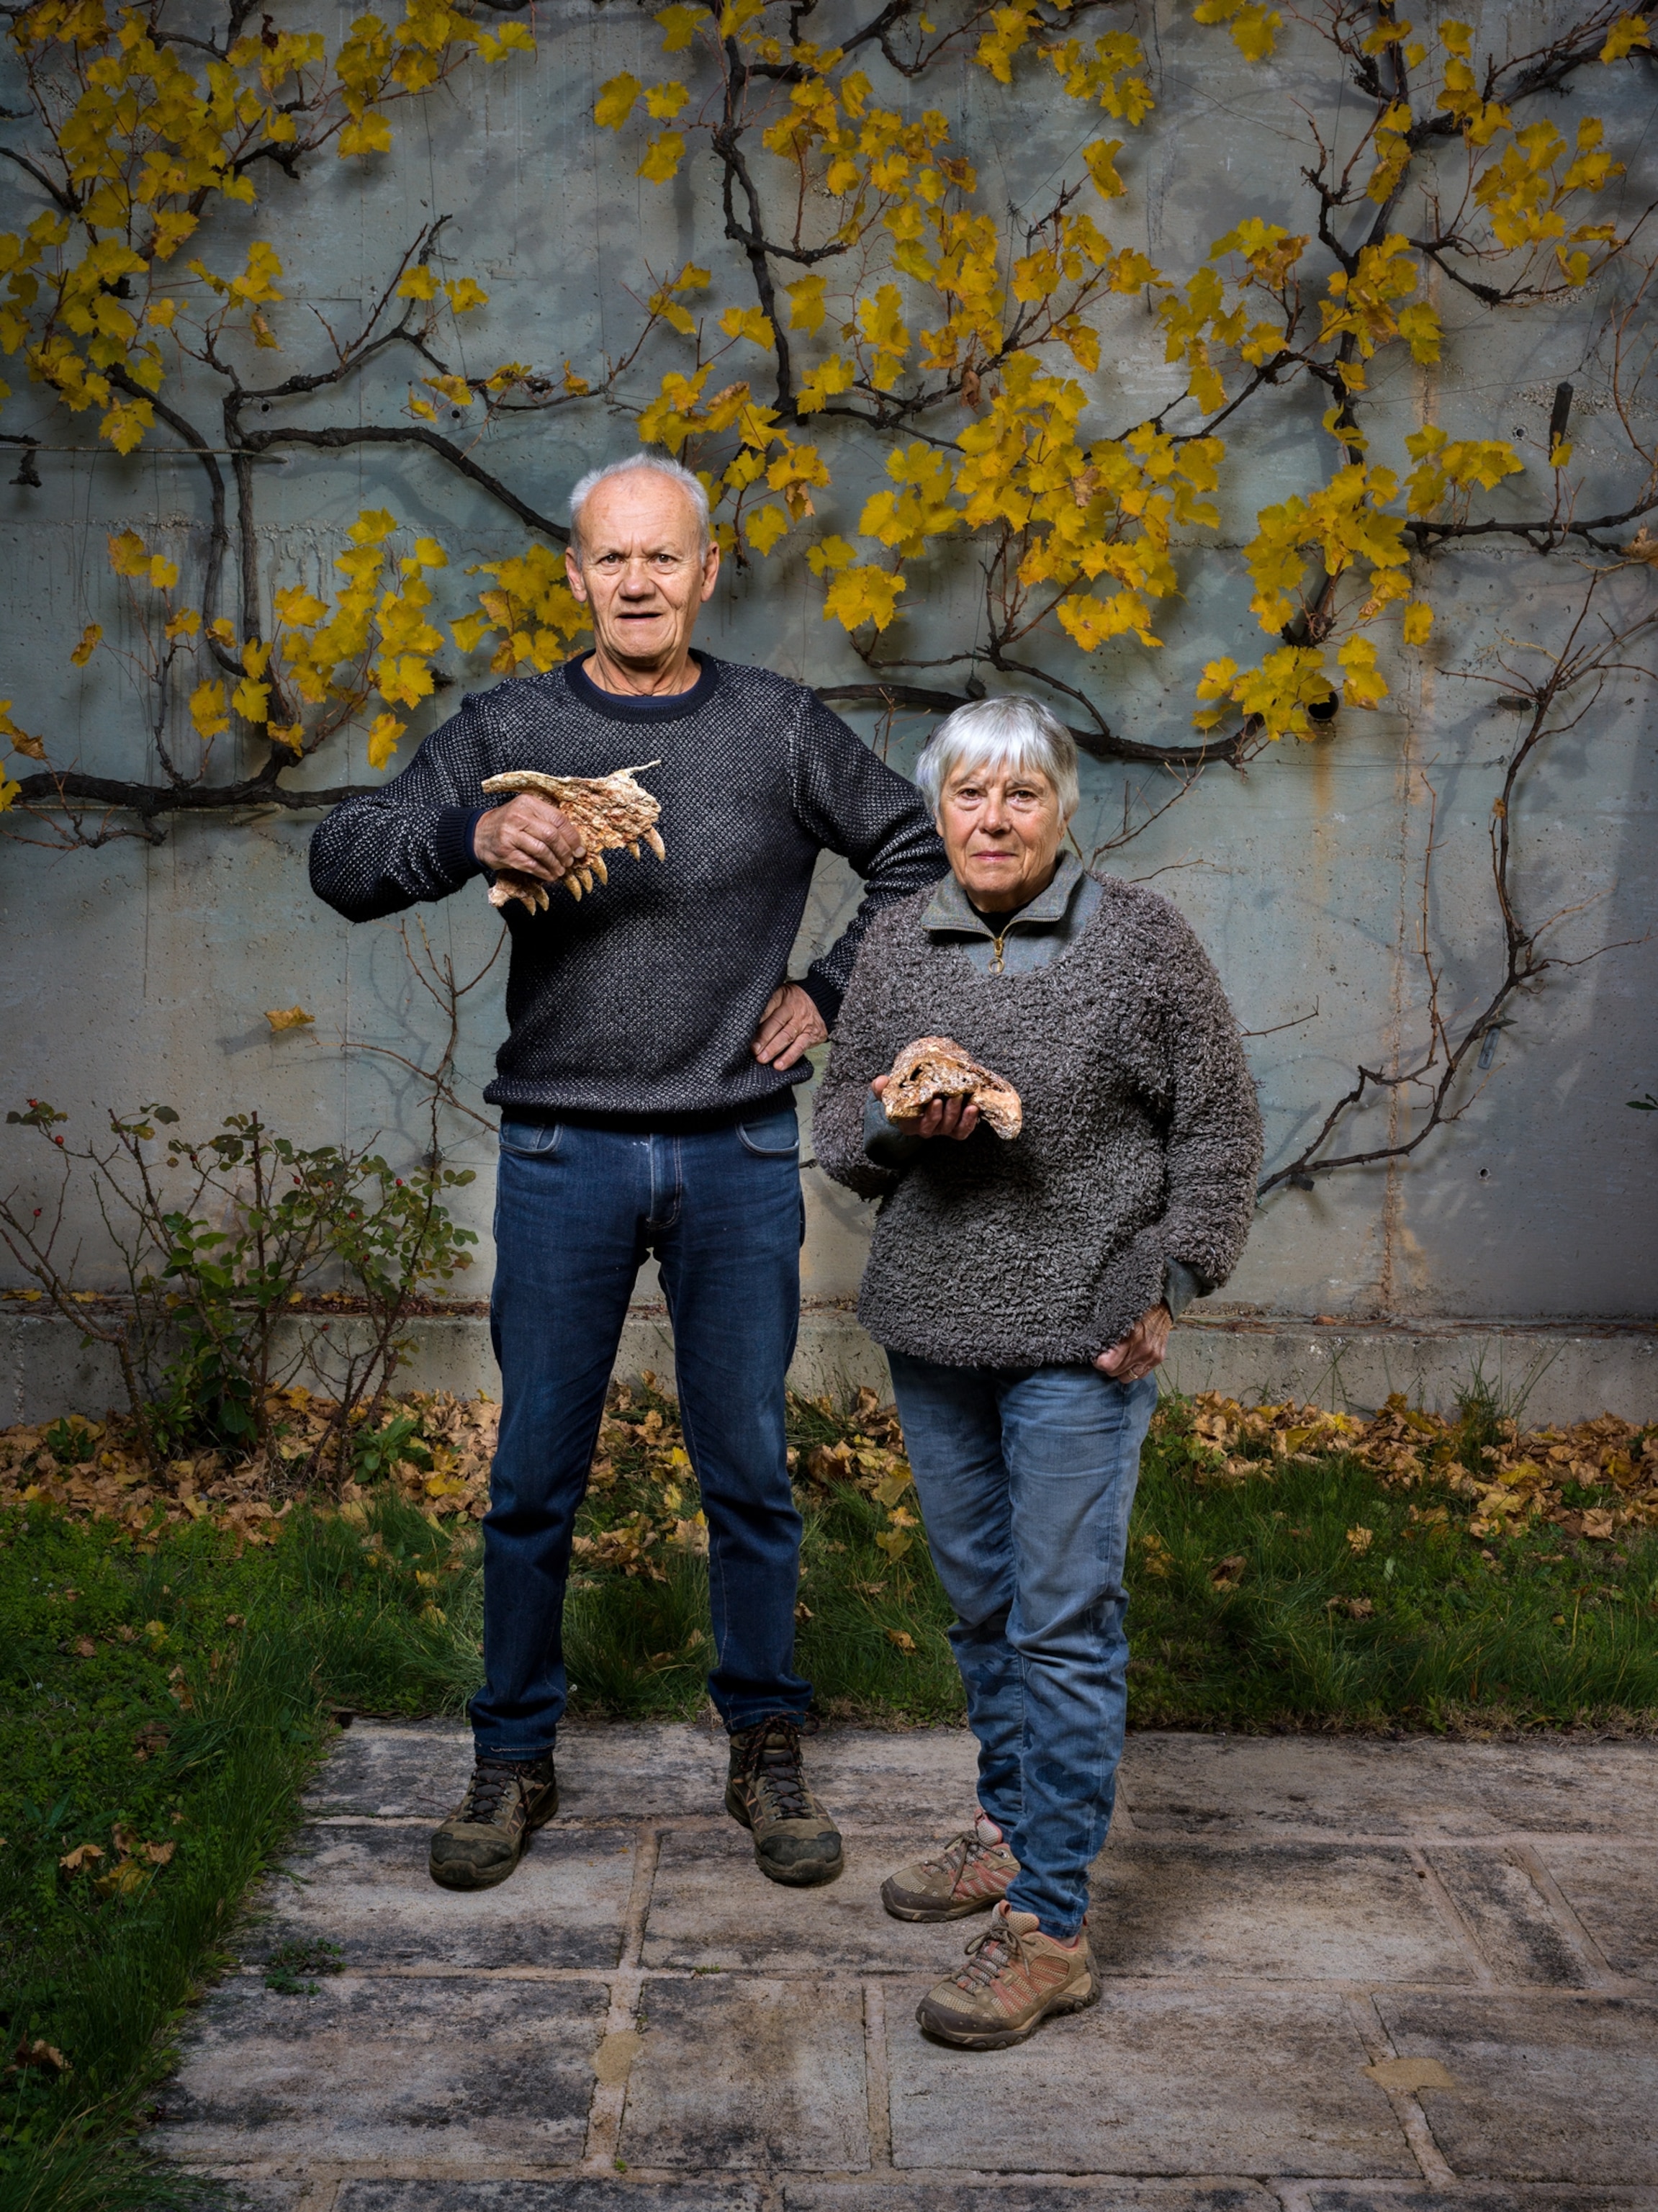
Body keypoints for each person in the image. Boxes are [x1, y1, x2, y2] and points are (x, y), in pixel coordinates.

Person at [310, 453, 946, 1895]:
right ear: (578, 578)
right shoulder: (513, 726)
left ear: (708, 574)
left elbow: (915, 850)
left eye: (667, 559)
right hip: (560, 1151)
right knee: (535, 1474)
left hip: (730, 1147)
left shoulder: (779, 728)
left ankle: (766, 1746)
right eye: (614, 560)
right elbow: (341, 857)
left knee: (750, 1473)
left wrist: (836, 992)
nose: (641, 581)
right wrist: (469, 829)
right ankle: (512, 1754)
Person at [813, 694, 1261, 2049]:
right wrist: (901, 1129)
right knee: (982, 1605)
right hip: (935, 1330)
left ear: (1066, 808)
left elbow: (1222, 1126)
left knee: (1063, 1622)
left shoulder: (1142, 945)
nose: (992, 821)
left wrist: (1171, 1278)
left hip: (1084, 1330)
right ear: (937, 810)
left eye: (1019, 796)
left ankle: (1054, 1924)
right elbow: (841, 1132)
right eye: (967, 797)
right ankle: (1008, 1828)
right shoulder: (897, 943)